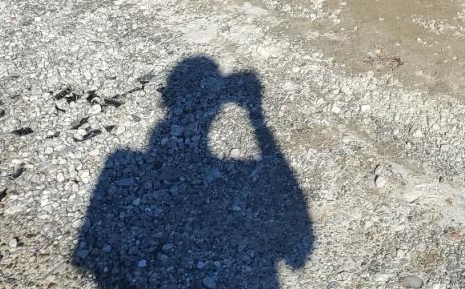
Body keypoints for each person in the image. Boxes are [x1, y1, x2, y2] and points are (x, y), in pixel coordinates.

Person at [73, 56, 312, 288]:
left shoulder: (119, 162)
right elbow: (298, 254)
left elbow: (87, 259)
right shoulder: (120, 161)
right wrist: (254, 112)